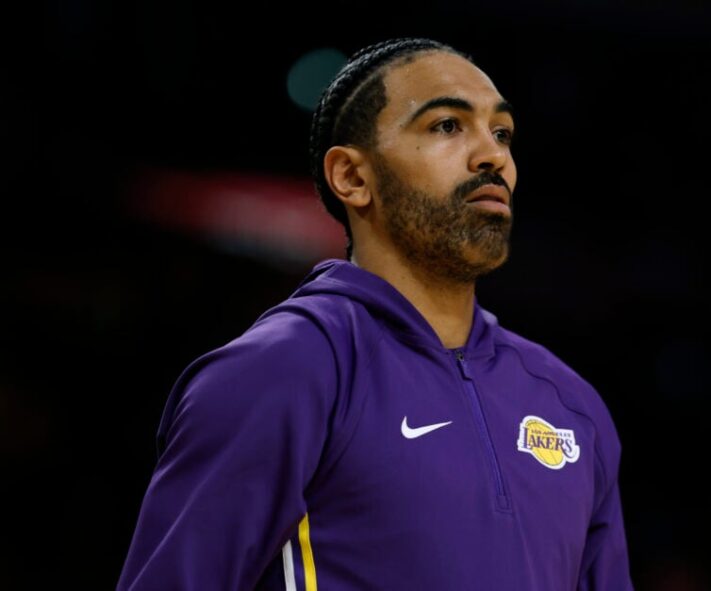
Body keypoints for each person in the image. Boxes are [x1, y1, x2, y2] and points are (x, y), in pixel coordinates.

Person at [117, 37, 634, 590]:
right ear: (353, 178)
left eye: (502, 132)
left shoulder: (571, 405)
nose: (493, 155)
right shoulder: (282, 370)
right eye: (447, 126)